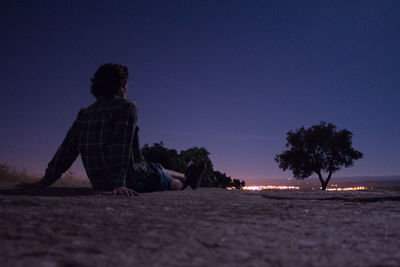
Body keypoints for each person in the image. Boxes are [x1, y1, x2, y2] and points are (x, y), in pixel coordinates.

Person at [18, 63, 206, 196]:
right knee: (174, 183)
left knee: (156, 167)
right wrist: (119, 183)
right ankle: (187, 180)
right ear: (121, 87)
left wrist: (45, 181)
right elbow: (121, 146)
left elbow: (66, 151)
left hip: (99, 181)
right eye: (126, 85)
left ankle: (188, 175)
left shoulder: (84, 114)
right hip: (131, 179)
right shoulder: (126, 107)